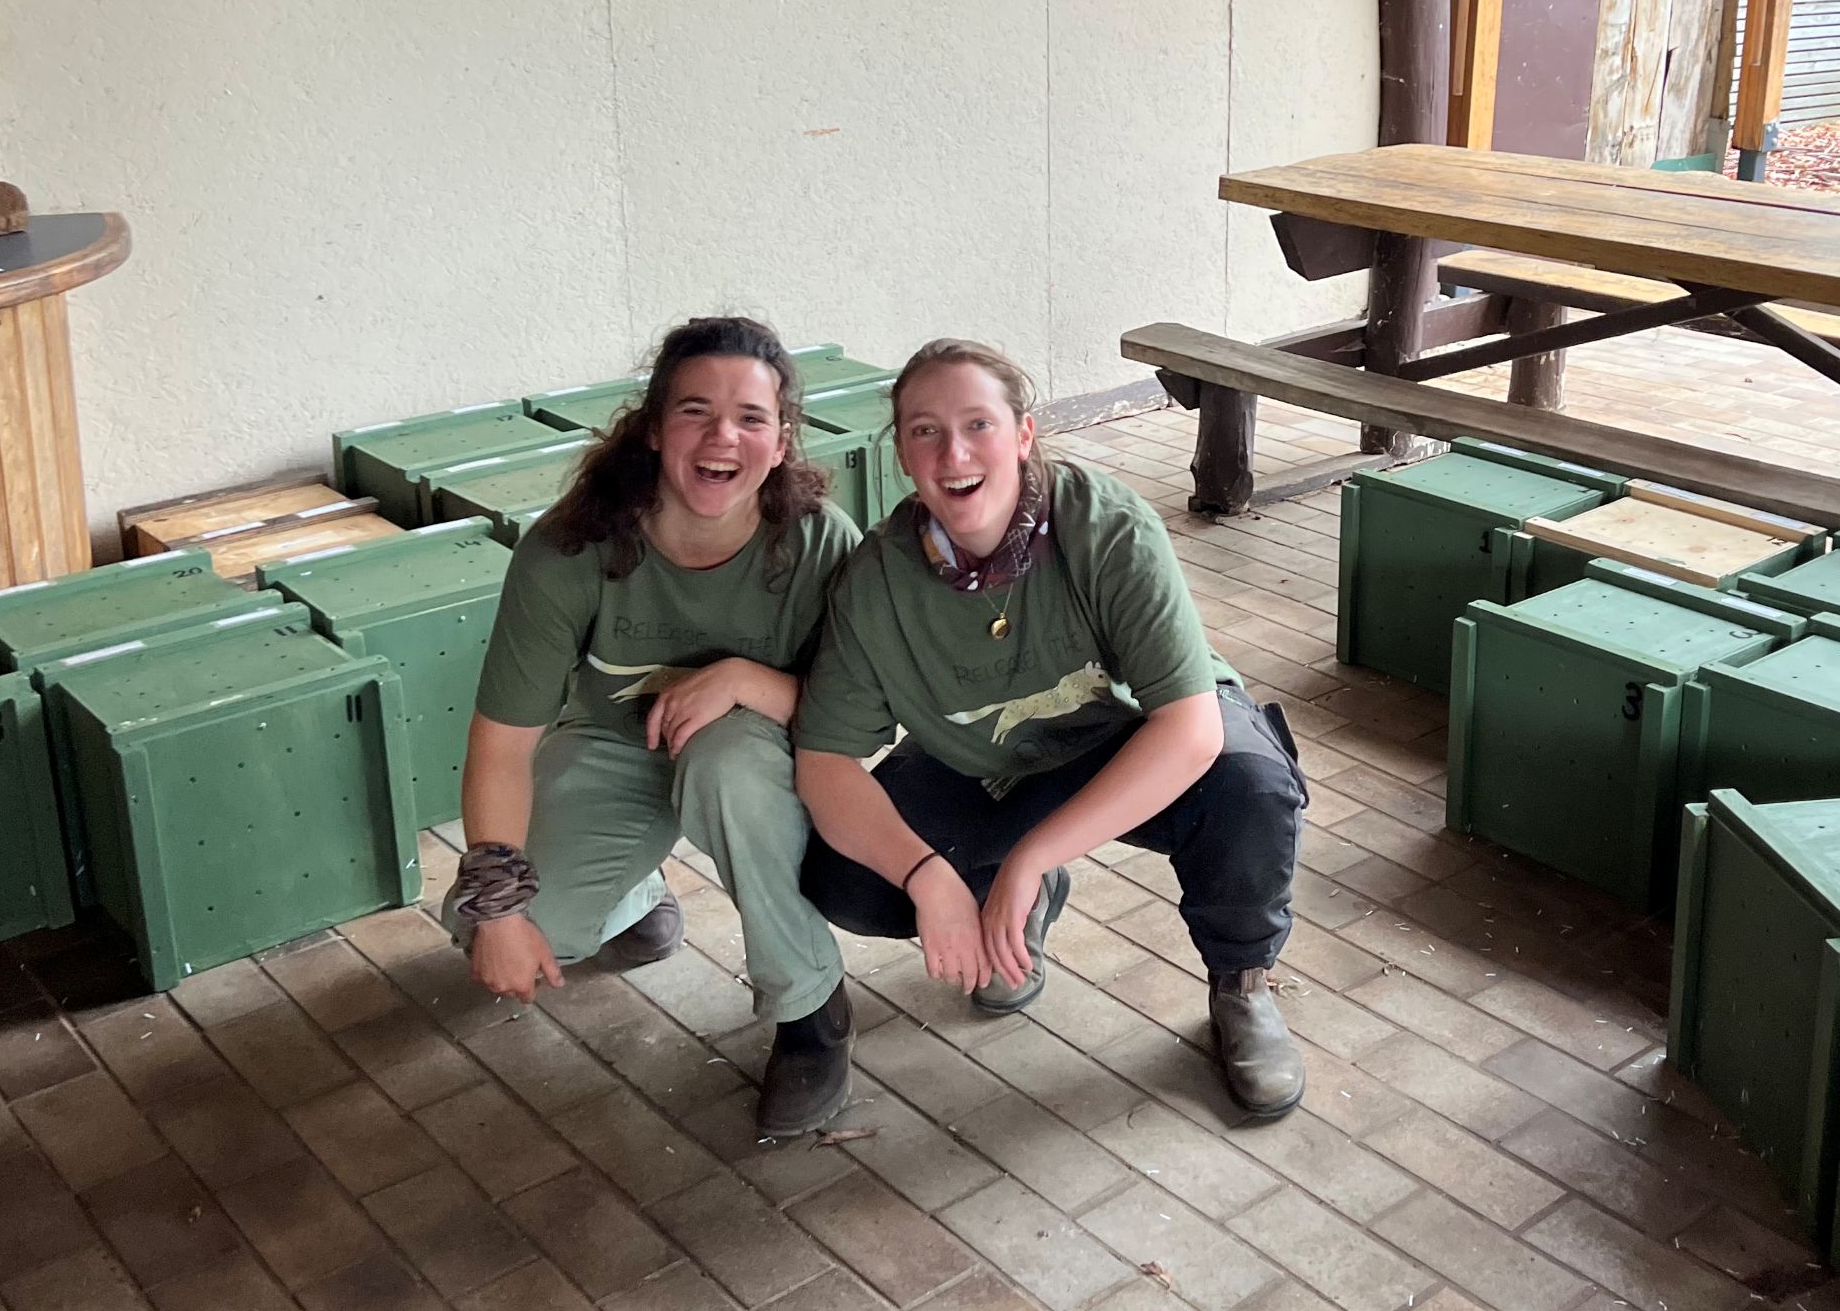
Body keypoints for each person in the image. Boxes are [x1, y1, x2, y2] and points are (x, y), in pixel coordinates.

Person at [793, 338, 1309, 1121]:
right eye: (925, 430)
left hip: (1138, 733)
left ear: (1024, 435)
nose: (954, 451)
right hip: (995, 764)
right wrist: (930, 875)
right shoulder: (876, 580)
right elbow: (826, 761)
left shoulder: (1105, 525)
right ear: (900, 452)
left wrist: (1033, 854)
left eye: (978, 423)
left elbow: (1190, 727)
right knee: (844, 871)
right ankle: (1002, 900)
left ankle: (1241, 985)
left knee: (1252, 786)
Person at [451, 316, 859, 1137]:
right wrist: (497, 907)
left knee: (727, 763)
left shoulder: (819, 545)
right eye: (694, 410)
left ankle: (812, 1012)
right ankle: (632, 893)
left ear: (782, 441)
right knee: (496, 928)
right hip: (613, 746)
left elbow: (864, 719)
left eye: (751, 417)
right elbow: (501, 743)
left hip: (755, 754)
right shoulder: (569, 550)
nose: (722, 437)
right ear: (650, 430)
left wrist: (743, 681)